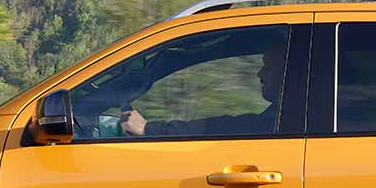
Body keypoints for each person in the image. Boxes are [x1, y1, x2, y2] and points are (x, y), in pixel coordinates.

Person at [120, 37, 287, 137]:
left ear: (292, 73)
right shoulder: (287, 115)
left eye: (270, 66)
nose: (260, 74)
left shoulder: (291, 119)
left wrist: (148, 129)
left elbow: (234, 127)